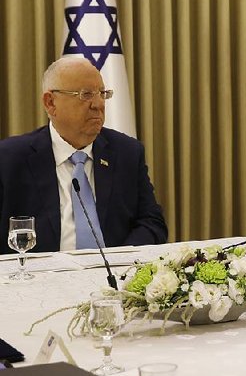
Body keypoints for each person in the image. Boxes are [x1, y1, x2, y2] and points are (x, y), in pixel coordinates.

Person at [0, 56, 167, 253]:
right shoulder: (10, 158)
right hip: (39, 278)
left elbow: (152, 223)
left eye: (102, 93)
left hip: (113, 276)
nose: (98, 104)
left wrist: (119, 259)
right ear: (50, 102)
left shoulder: (127, 152)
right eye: (86, 94)